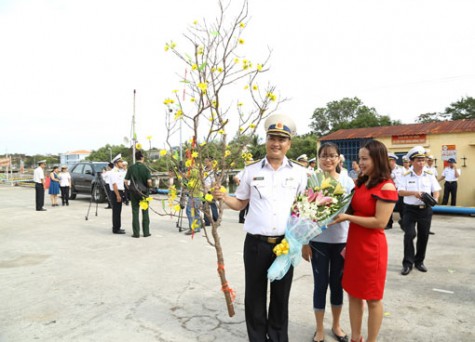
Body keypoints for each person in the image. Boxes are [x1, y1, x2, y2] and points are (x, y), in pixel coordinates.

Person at [213, 114, 308, 342]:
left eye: (281, 139)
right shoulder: (251, 170)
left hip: (285, 244)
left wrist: (303, 242)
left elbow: (303, 210)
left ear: (289, 144)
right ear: (266, 140)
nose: (276, 143)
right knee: (254, 297)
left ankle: (277, 338)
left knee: (280, 297)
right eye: (272, 137)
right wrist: (224, 197)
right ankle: (257, 338)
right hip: (256, 244)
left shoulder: (299, 173)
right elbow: (240, 203)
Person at [329, 140, 398, 342]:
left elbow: (380, 222)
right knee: (354, 294)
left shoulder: (386, 186)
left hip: (371, 249)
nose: (361, 162)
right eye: (360, 158)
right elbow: (347, 208)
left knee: (373, 299)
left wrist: (348, 218)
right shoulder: (361, 183)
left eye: (365, 158)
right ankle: (356, 337)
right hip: (355, 245)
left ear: (378, 159)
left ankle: (371, 340)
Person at [301, 142, 354, 342]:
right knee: (320, 284)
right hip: (318, 241)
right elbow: (304, 213)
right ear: (319, 159)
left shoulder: (348, 182)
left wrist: (351, 242)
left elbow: (352, 212)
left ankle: (337, 325)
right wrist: (305, 241)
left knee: (338, 285)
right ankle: (319, 329)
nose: (328, 159)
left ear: (339, 158)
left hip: (341, 240)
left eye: (332, 156)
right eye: (324, 156)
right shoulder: (312, 181)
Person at [397, 146, 441, 276]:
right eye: (418, 160)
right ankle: (407, 263)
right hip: (410, 210)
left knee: (424, 236)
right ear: (411, 161)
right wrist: (414, 193)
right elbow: (400, 191)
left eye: (423, 160)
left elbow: (436, 190)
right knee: (409, 235)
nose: (421, 163)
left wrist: (436, 199)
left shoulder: (429, 174)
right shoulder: (404, 175)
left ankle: (419, 261)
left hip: (425, 210)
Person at [125, 150, 152, 238]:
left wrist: (129, 188)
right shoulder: (146, 168)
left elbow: (126, 181)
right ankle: (146, 232)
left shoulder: (131, 168)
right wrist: (149, 187)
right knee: (145, 212)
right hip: (144, 193)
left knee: (135, 212)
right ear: (142, 158)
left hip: (134, 193)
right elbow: (149, 182)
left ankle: (136, 233)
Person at [109, 154, 126, 234]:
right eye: (120, 162)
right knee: (116, 211)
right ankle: (115, 229)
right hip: (116, 192)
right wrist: (118, 195)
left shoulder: (119, 171)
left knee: (118, 211)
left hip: (120, 191)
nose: (122, 163)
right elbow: (114, 184)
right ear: (116, 163)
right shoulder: (113, 172)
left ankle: (118, 227)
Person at [386, 153, 403, 230]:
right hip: (389, 191)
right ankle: (389, 224)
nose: (389, 163)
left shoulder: (401, 169)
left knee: (401, 208)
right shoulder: (384, 170)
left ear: (394, 161)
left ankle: (404, 223)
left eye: (390, 161)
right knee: (389, 208)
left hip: (399, 191)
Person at [184, 168, 204, 235]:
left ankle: (192, 228)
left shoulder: (195, 172)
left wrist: (184, 175)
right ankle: (197, 227)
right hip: (197, 196)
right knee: (196, 212)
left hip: (194, 196)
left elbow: (188, 176)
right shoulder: (198, 176)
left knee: (189, 212)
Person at [203, 156, 219, 226]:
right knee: (205, 205)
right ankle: (207, 221)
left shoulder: (214, 170)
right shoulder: (203, 169)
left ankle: (216, 220)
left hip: (210, 190)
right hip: (203, 190)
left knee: (212, 205)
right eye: (205, 161)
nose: (205, 162)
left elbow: (215, 181)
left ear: (211, 162)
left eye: (207, 161)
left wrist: (211, 190)